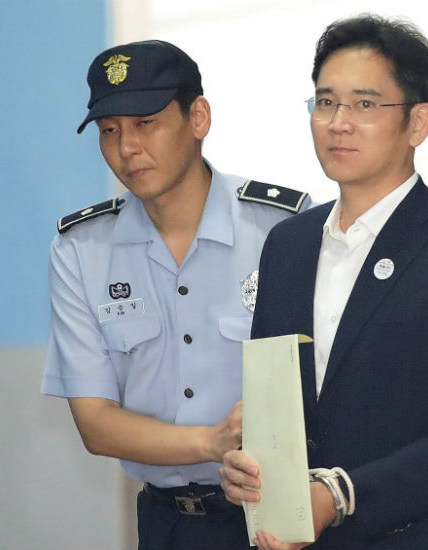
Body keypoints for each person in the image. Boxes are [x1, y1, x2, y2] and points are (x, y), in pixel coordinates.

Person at [220, 14, 428, 550]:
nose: (338, 122)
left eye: (365, 104)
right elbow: (279, 402)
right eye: (325, 102)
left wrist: (339, 496)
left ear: (418, 122)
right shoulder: (287, 245)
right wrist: (249, 468)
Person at [40, 39, 309, 549]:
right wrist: (211, 441)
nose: (127, 148)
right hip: (166, 524)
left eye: (147, 123)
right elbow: (96, 424)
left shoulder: (284, 228)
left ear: (199, 118)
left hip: (278, 514)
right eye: (109, 131)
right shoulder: (81, 249)